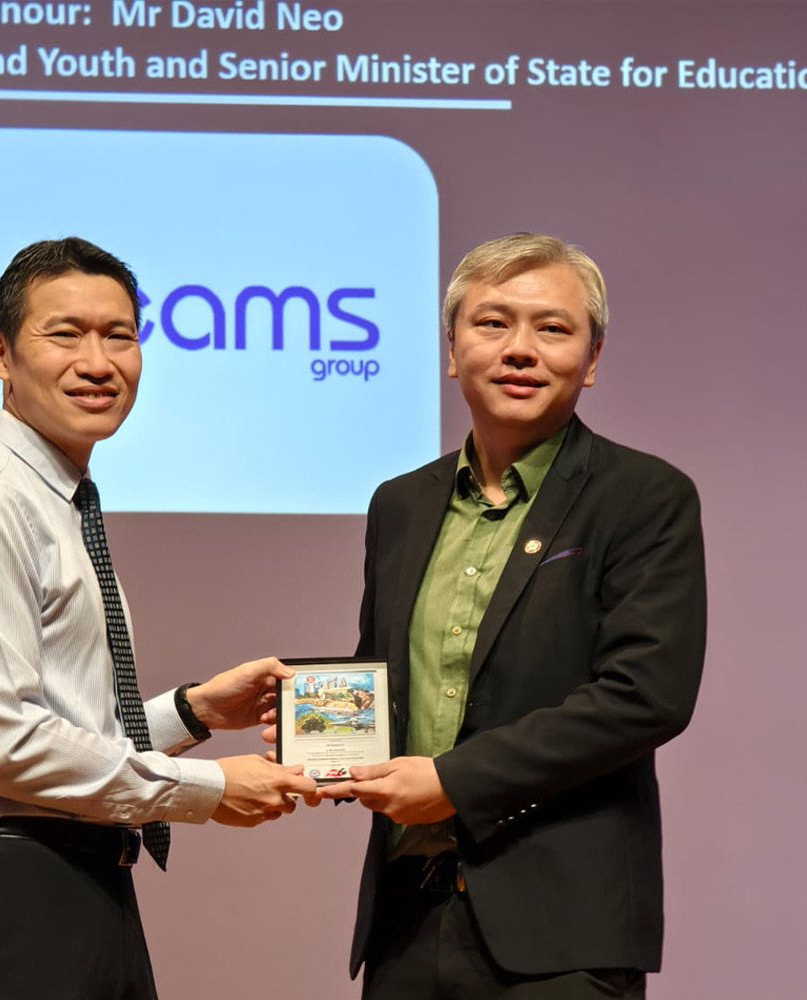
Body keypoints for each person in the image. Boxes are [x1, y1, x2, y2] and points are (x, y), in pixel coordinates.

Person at [0, 237, 316, 1000]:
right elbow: (9, 746)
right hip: (8, 892)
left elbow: (65, 729)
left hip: (81, 883)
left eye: (119, 336)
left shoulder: (59, 500)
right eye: (65, 334)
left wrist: (194, 711)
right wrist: (208, 788)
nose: (98, 363)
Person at [319, 233, 706, 998]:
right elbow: (384, 680)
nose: (519, 349)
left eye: (552, 328)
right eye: (492, 323)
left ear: (591, 360)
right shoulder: (401, 504)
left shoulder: (644, 497)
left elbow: (646, 695)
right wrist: (321, 731)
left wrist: (453, 781)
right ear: (452, 351)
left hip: (561, 934)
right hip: (406, 920)